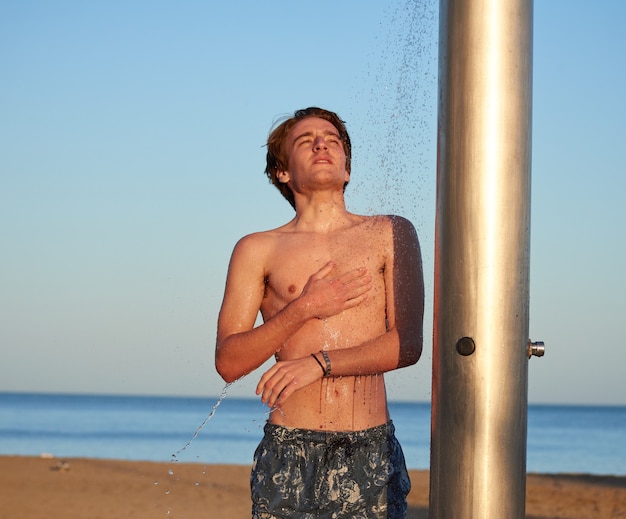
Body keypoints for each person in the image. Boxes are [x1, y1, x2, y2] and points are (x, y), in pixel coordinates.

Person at [215, 107, 424, 518]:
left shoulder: (390, 232)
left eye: (331, 139)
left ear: (347, 168)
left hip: (370, 445)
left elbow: (407, 346)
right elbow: (228, 361)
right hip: (289, 446)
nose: (320, 143)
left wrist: (319, 363)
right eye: (304, 139)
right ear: (282, 172)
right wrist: (304, 308)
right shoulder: (257, 249)